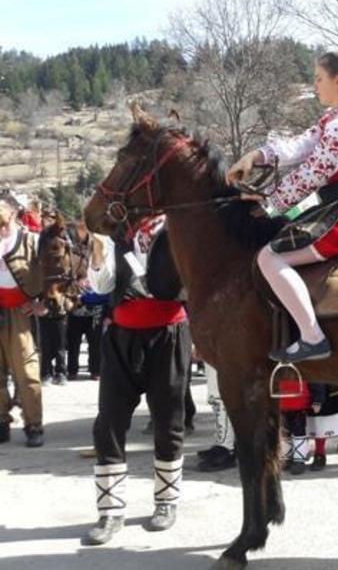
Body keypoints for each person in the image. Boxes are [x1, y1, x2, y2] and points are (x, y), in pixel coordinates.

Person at [226, 51, 338, 364]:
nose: (314, 85)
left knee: (269, 258)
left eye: (318, 78)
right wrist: (255, 157)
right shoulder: (335, 121)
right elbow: (298, 146)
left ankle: (313, 337)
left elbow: (311, 174)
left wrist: (270, 205)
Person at [83, 214, 192, 545]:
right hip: (122, 336)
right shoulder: (118, 233)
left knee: (168, 422)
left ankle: (166, 502)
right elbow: (102, 287)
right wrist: (99, 254)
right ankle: (111, 510)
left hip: (169, 332)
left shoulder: (180, 228)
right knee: (108, 424)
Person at [0, 197, 46, 448]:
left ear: (13, 217)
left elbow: (54, 276)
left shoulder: (31, 242)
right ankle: (1, 422)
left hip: (21, 313)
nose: (1, 230)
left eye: (3, 224)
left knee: (27, 372)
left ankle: (34, 424)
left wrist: (43, 303)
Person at [66, 221, 108, 381]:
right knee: (73, 340)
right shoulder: (75, 255)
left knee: (95, 341)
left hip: (97, 305)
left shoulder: (103, 256)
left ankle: (95, 370)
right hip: (77, 303)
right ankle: (72, 370)